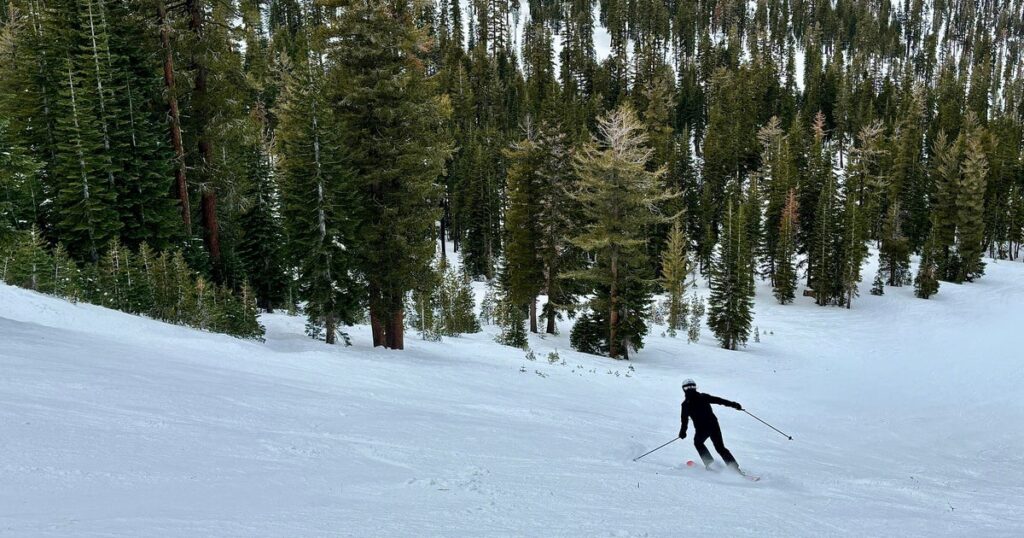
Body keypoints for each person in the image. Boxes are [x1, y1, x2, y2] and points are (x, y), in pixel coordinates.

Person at [678, 378, 743, 472]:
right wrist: (734, 405)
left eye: (692, 386)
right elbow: (720, 401)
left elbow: (684, 420)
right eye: (689, 387)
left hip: (702, 428)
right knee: (720, 447)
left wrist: (683, 432)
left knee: (698, 443)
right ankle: (734, 468)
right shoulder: (702, 397)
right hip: (714, 425)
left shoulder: (686, 404)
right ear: (684, 389)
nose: (690, 388)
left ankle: (710, 464)